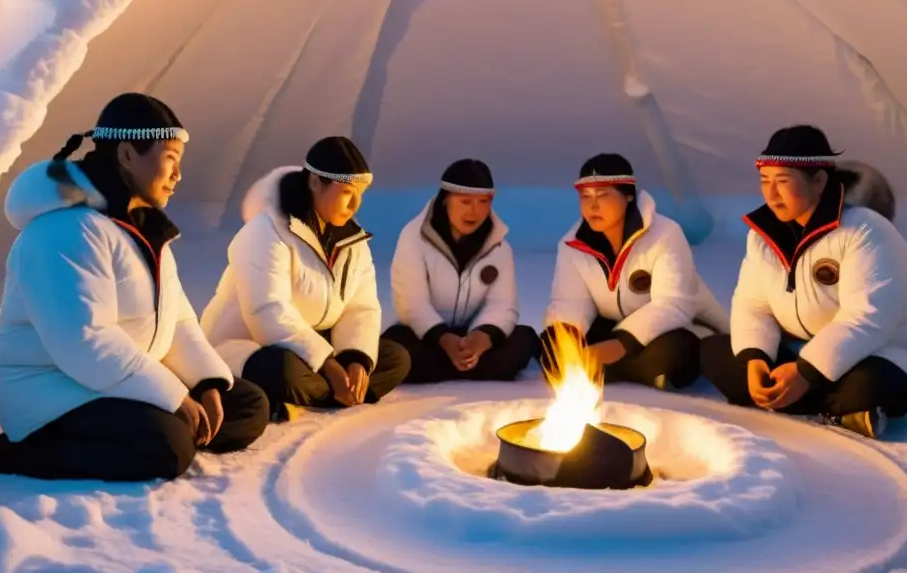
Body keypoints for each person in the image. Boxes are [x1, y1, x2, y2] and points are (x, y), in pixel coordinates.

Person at [0, 93, 269, 482]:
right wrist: (174, 396)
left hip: (118, 380)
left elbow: (177, 323)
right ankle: (25, 452)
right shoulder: (64, 230)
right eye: (170, 159)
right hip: (55, 395)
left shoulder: (143, 229)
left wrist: (204, 383)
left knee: (246, 405)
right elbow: (85, 343)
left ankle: (165, 424)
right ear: (127, 155)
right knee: (168, 446)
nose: (178, 175)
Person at [699, 125, 907, 438]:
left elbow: (869, 317)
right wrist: (756, 358)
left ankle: (821, 398)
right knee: (715, 352)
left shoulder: (866, 232)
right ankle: (834, 407)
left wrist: (806, 372)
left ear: (819, 181)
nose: (771, 194)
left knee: (868, 384)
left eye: (783, 181)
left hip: (883, 356)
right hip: (800, 352)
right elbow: (753, 305)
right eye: (765, 181)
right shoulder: (763, 236)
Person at [201, 136, 409, 419]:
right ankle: (327, 391)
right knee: (283, 371)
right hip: (256, 346)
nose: (355, 205)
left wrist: (354, 359)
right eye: (348, 193)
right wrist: (327, 364)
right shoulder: (265, 231)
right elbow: (267, 310)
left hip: (313, 343)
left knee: (395, 357)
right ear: (314, 183)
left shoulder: (352, 240)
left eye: (361, 194)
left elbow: (361, 307)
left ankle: (314, 396)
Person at [542, 153, 729, 389]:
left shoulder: (665, 234)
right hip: (612, 325)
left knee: (674, 351)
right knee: (552, 344)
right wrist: (568, 340)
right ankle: (630, 372)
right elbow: (570, 301)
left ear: (628, 195)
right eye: (585, 197)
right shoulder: (572, 244)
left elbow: (674, 304)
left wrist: (620, 344)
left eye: (603, 195)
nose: (593, 206)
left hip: (672, 328)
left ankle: (614, 370)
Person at [382, 160, 541, 382]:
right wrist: (444, 339)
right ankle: (469, 367)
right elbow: (411, 303)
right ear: (445, 199)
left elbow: (503, 304)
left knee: (524, 339)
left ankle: (457, 364)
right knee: (396, 347)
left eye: (482, 202)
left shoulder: (499, 247)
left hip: (471, 335)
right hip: (427, 337)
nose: (474, 211)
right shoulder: (413, 238)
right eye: (465, 201)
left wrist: (481, 338)